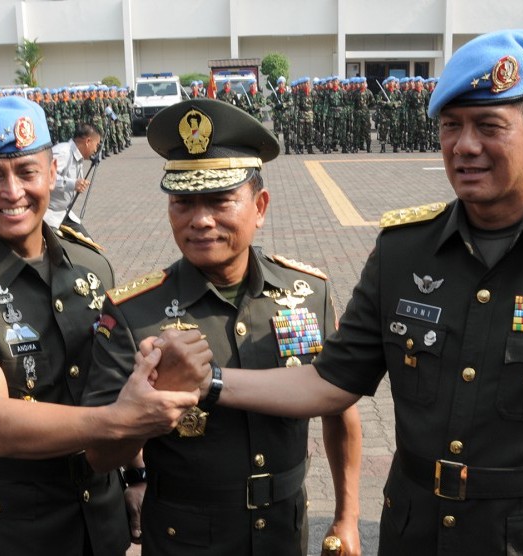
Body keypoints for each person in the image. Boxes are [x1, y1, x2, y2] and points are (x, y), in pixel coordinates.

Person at [147, 29, 523, 554]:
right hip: (413, 533)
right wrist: (208, 381)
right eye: (450, 126)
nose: (465, 146)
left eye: (489, 126)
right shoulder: (403, 252)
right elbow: (331, 383)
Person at [0, 96, 209, 556]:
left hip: (102, 524)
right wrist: (120, 421)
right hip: (18, 535)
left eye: (26, 172)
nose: (12, 191)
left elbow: (117, 380)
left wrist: (136, 473)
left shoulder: (91, 264)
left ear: (50, 172)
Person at [82, 98, 363, 556]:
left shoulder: (308, 291)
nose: (200, 220)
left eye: (219, 200)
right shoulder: (134, 311)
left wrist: (347, 516)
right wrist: (144, 406)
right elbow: (100, 456)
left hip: (284, 531)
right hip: (186, 536)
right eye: (183, 202)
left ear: (260, 206)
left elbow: (340, 405)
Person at [44, 122, 102, 240]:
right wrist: (73, 184)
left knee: (87, 244)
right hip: (49, 215)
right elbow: (45, 177)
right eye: (96, 145)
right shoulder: (63, 152)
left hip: (64, 214)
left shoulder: (77, 157)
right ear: (88, 141)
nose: (96, 149)